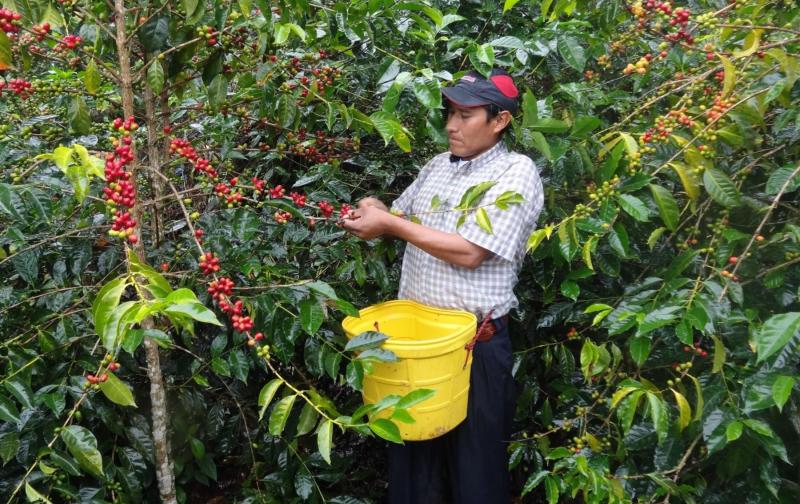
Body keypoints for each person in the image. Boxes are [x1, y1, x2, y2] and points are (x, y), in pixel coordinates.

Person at [341, 68, 544, 504]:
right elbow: (398, 216)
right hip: (415, 350)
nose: (451, 124)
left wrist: (390, 223)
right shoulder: (436, 167)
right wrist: (370, 208)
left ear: (500, 121)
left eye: (465, 114)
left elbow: (472, 251)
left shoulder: (515, 171)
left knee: (477, 477)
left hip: (474, 349)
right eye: (450, 112)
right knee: (413, 474)